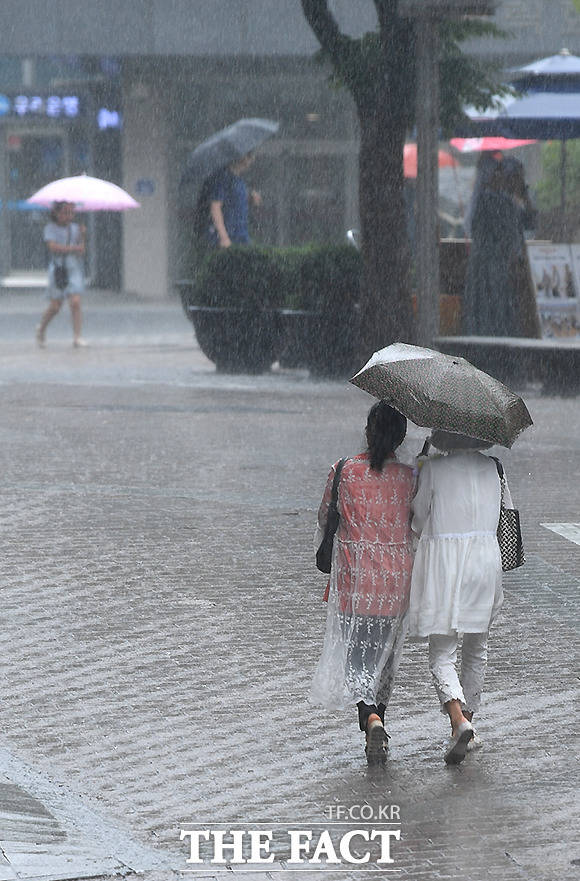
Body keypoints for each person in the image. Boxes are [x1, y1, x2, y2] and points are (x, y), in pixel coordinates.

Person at [310, 402, 416, 764]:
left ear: (368, 431)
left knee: (358, 661)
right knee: (384, 660)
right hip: (395, 583)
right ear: (401, 436)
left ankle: (370, 718)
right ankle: (378, 724)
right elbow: (419, 525)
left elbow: (325, 517)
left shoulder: (344, 470)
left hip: (356, 581)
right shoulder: (411, 478)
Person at [408, 429, 514, 765]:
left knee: (442, 652)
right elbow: (501, 517)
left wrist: (422, 468)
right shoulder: (494, 468)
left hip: (446, 566)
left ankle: (459, 721)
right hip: (485, 563)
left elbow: (419, 519)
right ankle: (466, 724)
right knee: (476, 647)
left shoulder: (435, 469)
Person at [36, 201, 87, 348]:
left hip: (74, 268)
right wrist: (73, 248)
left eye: (71, 212)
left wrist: (82, 236)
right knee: (55, 306)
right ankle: (42, 328)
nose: (68, 216)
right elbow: (53, 247)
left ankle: (77, 336)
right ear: (56, 213)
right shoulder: (50, 228)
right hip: (58, 269)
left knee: (75, 302)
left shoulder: (76, 228)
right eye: (65, 212)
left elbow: (81, 250)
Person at [195, 153, 262, 250]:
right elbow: (215, 207)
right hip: (225, 239)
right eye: (249, 156)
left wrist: (250, 198)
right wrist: (224, 238)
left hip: (240, 235)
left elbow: (234, 199)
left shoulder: (238, 180)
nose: (252, 160)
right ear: (240, 156)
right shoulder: (222, 178)